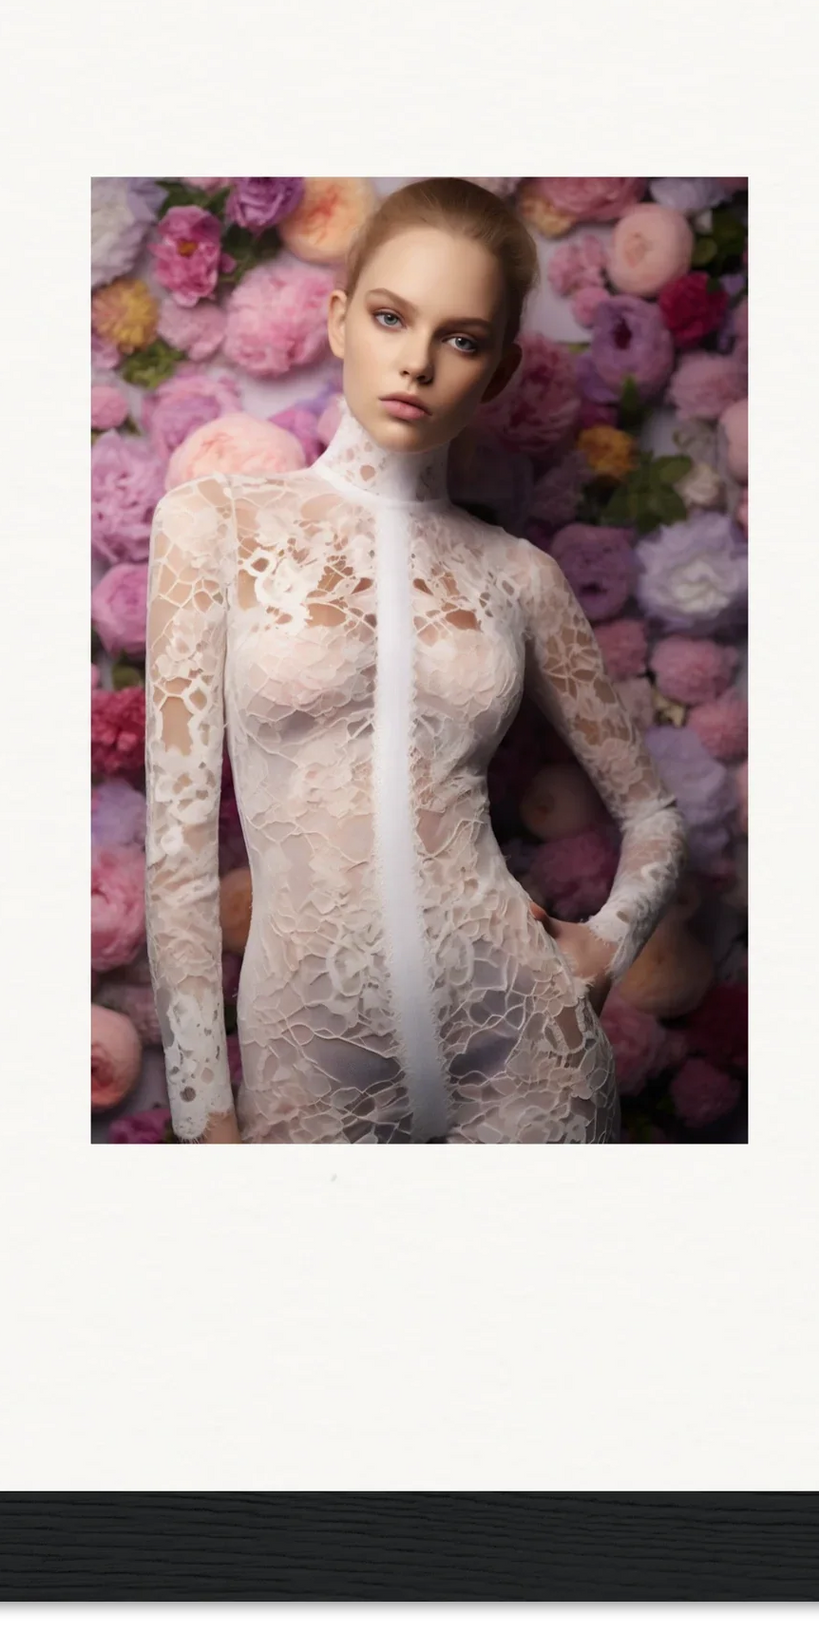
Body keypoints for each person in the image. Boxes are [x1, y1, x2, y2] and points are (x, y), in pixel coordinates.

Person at [142, 178, 689, 1143]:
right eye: (394, 318)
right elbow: (177, 853)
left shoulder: (521, 577)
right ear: (341, 319)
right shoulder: (215, 526)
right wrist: (201, 1113)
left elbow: (654, 814)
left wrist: (606, 946)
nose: (420, 362)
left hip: (524, 1038)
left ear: (502, 368)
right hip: (310, 1055)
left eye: (463, 338)